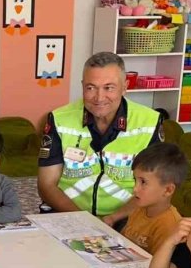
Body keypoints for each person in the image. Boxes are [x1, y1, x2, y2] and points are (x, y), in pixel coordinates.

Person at [37, 52, 163, 226]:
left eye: (109, 87)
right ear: (82, 86)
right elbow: (46, 185)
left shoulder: (149, 121)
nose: (99, 97)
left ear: (125, 87)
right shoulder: (59, 119)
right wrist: (85, 222)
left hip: (126, 217)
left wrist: (111, 219)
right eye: (91, 87)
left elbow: (154, 188)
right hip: (67, 214)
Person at [121, 142, 189, 254]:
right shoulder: (138, 208)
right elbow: (122, 241)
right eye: (135, 180)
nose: (135, 189)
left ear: (168, 190)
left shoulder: (169, 225)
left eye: (143, 182)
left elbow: (156, 267)